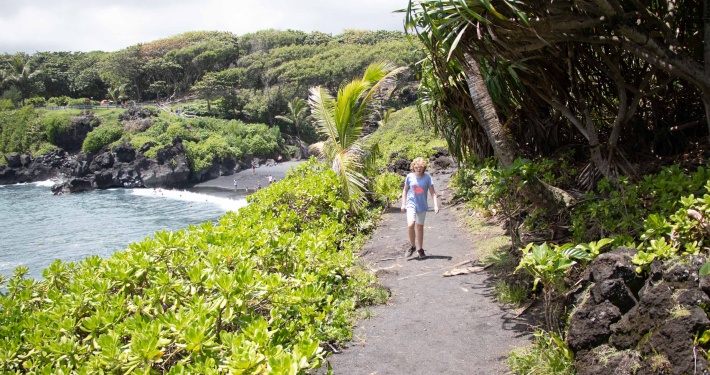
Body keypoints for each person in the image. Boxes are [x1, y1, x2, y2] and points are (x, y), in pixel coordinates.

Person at [400, 157, 439, 258]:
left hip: (422, 205)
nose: (419, 169)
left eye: (421, 167)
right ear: (413, 167)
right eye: (417, 167)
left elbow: (433, 193)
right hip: (411, 203)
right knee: (410, 224)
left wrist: (435, 205)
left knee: (419, 227)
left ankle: (420, 249)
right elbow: (405, 191)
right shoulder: (409, 177)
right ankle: (412, 246)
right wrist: (403, 204)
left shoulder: (427, 178)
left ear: (424, 168)